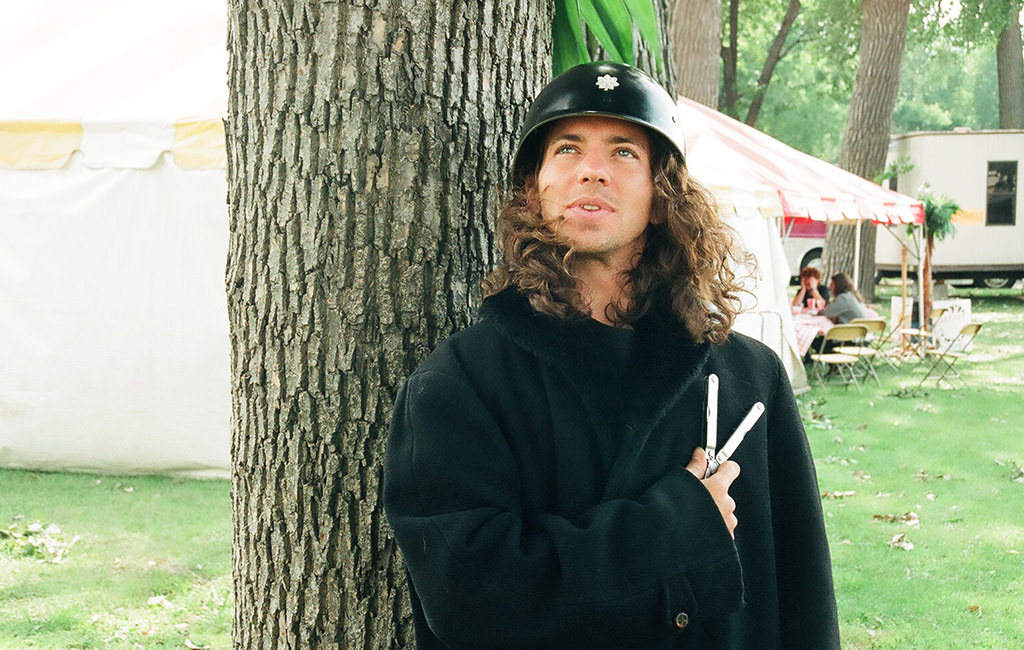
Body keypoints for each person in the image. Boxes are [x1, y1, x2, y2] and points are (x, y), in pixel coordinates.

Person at [384, 62, 839, 649]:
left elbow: (802, 600)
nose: (592, 170)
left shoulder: (749, 378)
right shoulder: (459, 385)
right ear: (535, 189)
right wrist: (672, 529)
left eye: (624, 152)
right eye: (568, 149)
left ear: (660, 196)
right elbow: (471, 601)